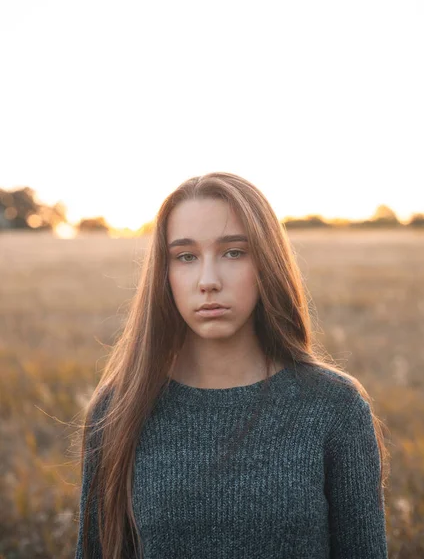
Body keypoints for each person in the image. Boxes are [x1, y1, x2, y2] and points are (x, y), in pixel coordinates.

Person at [75, 171, 390, 558]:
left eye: (234, 252)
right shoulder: (120, 410)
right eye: (186, 256)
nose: (208, 280)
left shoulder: (334, 408)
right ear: (165, 273)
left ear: (266, 264)